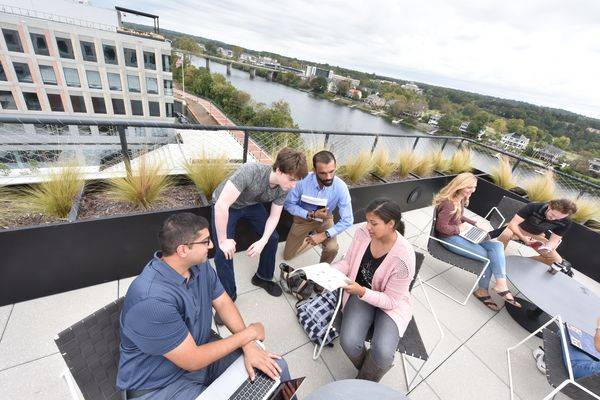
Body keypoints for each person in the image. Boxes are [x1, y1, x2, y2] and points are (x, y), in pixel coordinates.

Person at [117, 213, 290, 399]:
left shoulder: (199, 265)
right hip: (159, 384)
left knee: (277, 370)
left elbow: (223, 302)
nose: (212, 245)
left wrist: (249, 345)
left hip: (201, 352)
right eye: (205, 241)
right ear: (183, 250)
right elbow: (193, 360)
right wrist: (248, 334)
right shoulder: (151, 300)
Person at [332, 198, 415, 382]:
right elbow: (348, 262)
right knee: (349, 342)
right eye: (368, 220)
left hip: (388, 304)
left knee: (384, 353)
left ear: (391, 224)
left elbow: (391, 301)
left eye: (374, 223)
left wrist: (362, 292)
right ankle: (368, 376)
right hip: (360, 293)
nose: (367, 226)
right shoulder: (363, 232)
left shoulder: (404, 259)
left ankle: (362, 382)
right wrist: (330, 271)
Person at [212, 147, 308, 301]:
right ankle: (228, 298)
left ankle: (262, 277)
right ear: (278, 169)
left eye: (297, 181)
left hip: (251, 204)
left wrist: (262, 241)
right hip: (228, 205)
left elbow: (274, 216)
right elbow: (221, 205)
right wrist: (223, 241)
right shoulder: (250, 171)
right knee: (223, 253)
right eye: (291, 179)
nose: (294, 185)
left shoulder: (284, 187)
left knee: (271, 238)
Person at [432, 172, 520, 311]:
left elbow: (459, 217)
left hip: (458, 234)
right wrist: (459, 229)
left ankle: (501, 284)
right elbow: (441, 228)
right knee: (490, 257)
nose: (473, 190)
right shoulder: (449, 203)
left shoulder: (459, 198)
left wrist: (474, 223)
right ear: (460, 186)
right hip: (449, 238)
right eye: (469, 187)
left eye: (474, 187)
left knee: (497, 245)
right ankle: (482, 291)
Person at [283, 150, 353, 264]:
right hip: (303, 219)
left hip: (325, 219)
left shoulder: (341, 187)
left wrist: (325, 235)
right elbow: (289, 204)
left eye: (332, 171)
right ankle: (312, 238)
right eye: (323, 173)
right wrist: (311, 214)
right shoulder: (302, 181)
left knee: (332, 248)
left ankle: (321, 269)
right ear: (314, 171)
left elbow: (348, 220)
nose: (328, 177)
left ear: (335, 167)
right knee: (287, 256)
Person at [497, 198, 577, 266]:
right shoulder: (534, 206)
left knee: (556, 261)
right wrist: (523, 238)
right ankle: (497, 257)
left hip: (536, 236)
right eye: (552, 214)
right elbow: (513, 224)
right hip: (517, 229)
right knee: (505, 234)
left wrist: (548, 247)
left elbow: (554, 241)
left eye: (558, 218)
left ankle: (519, 261)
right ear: (549, 206)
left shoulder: (566, 222)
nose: (554, 218)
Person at [533, 316, 600, 379]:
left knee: (565, 332)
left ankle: (547, 362)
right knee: (585, 345)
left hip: (583, 370)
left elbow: (597, 345)